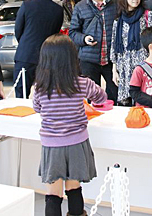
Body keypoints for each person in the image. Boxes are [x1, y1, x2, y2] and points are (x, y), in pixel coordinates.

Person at [32, 34, 107, 216]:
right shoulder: (82, 83)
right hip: (77, 143)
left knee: (53, 192)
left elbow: (37, 108)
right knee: (74, 187)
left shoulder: (40, 87)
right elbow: (101, 97)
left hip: (52, 145)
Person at [68, 0, 118, 102]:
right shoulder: (80, 7)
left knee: (115, 94)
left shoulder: (116, 5)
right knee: (91, 97)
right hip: (88, 59)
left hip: (111, 59)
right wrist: (84, 39)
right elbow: (72, 33)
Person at [13, 0, 64, 98]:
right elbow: (56, 33)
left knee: (21, 93)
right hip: (48, 56)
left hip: (26, 55)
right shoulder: (58, 9)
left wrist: (25, 43)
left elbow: (18, 30)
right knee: (47, 95)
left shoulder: (27, 5)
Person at [110, 0, 152, 105]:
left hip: (143, 67)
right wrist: (114, 71)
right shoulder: (118, 20)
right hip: (124, 68)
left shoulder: (148, 16)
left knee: (144, 103)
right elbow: (114, 45)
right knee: (126, 105)